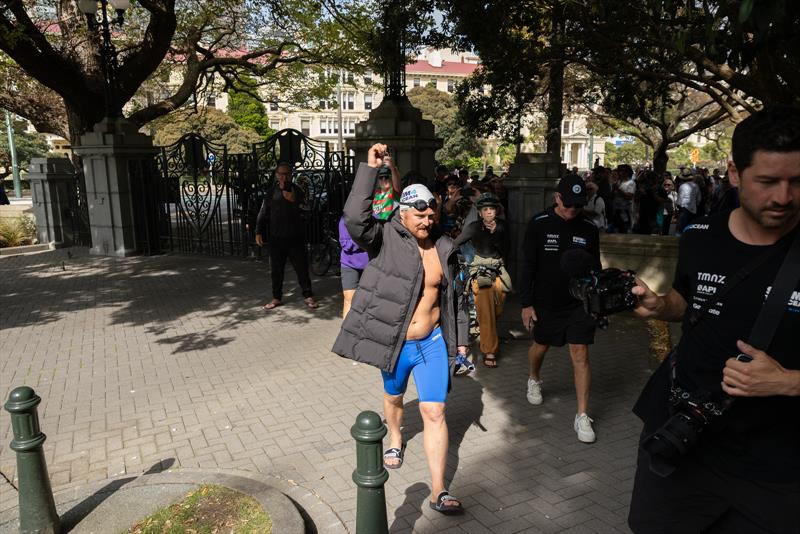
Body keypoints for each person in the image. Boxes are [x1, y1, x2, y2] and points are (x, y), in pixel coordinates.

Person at [627, 106, 800, 533]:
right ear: (735, 173)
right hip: (684, 441)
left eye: (797, 181)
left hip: (776, 466)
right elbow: (689, 303)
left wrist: (787, 382)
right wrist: (661, 306)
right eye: (768, 181)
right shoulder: (700, 236)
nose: (783, 197)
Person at [332, 143, 469, 515]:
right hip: (396, 344)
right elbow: (354, 218)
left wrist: (461, 344)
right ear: (403, 213)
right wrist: (369, 169)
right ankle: (395, 435)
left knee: (435, 412)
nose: (426, 221)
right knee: (393, 399)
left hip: (432, 343)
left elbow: (456, 299)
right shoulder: (384, 238)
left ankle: (438, 490)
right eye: (419, 215)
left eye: (431, 215)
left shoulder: (444, 247)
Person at [518, 174, 601, 443]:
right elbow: (527, 265)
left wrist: (596, 300)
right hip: (546, 302)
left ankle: (582, 415)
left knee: (580, 353)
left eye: (578, 205)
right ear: (557, 199)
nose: (573, 209)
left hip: (579, 303)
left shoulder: (589, 228)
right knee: (541, 346)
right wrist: (526, 304)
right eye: (568, 204)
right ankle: (534, 377)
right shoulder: (539, 224)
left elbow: (595, 267)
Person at [456, 192, 511, 368]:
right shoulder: (473, 227)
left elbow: (507, 249)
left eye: (491, 209)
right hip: (480, 273)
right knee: (487, 314)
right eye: (485, 209)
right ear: (480, 212)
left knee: (496, 310)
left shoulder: (503, 226)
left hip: (499, 271)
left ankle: (485, 330)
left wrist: (496, 234)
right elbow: (456, 243)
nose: (488, 212)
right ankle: (489, 350)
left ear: (496, 211)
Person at [256, 162, 317, 310]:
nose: (284, 177)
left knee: (302, 269)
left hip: (296, 238)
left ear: (291, 175)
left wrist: (294, 201)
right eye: (281, 174)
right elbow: (263, 212)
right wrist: (258, 231)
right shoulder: (271, 192)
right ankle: (276, 297)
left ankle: (308, 295)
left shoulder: (298, 190)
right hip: (276, 239)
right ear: (277, 175)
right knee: (276, 270)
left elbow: (307, 209)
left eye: (287, 174)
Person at [675, 169, 701, 234]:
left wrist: (677, 208)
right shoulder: (696, 186)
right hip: (693, 210)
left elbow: (679, 200)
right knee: (690, 229)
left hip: (684, 209)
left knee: (681, 229)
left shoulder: (682, 186)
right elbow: (698, 199)